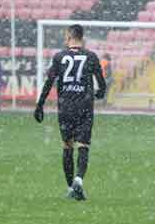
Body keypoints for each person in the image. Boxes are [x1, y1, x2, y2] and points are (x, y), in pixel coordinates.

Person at [33, 24, 107, 201]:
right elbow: (102, 84)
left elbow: (49, 82)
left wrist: (40, 104)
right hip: (85, 106)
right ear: (82, 37)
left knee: (67, 146)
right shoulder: (91, 57)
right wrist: (99, 92)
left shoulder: (60, 57)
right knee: (83, 145)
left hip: (66, 108)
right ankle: (79, 180)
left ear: (69, 37)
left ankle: (69, 187)